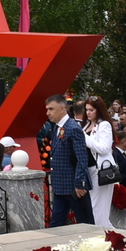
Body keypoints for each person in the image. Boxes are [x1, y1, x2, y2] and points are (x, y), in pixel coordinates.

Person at [44, 94, 92, 226]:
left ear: (62, 109)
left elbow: (81, 158)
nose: (48, 113)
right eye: (47, 109)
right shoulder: (57, 127)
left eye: (51, 109)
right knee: (56, 224)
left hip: (74, 187)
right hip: (60, 186)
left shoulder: (73, 128)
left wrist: (80, 184)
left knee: (85, 223)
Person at [80, 97, 116, 226]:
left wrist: (85, 138)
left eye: (91, 110)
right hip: (88, 170)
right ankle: (109, 234)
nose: (88, 113)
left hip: (101, 170)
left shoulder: (104, 125)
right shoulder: (86, 125)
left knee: (99, 209)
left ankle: (106, 234)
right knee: (94, 208)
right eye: (87, 110)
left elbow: (105, 148)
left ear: (98, 110)